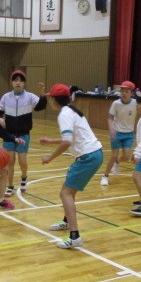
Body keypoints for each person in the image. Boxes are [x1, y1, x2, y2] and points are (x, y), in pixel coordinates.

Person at [41, 83, 103, 249]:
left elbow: (67, 142)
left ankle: (74, 236)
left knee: (65, 193)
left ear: (54, 99)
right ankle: (67, 221)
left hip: (88, 157)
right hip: (94, 154)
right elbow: (73, 137)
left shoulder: (64, 114)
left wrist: (50, 157)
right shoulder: (72, 110)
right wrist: (51, 141)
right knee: (69, 191)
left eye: (50, 97)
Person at [0, 69, 47, 196]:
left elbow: (41, 106)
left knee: (22, 161)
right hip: (9, 135)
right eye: (15, 80)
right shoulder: (6, 97)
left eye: (20, 80)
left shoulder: (30, 97)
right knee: (10, 161)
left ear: (24, 83)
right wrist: (0, 118)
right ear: (12, 82)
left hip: (23, 134)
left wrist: (42, 94)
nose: (18, 83)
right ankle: (10, 186)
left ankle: (24, 178)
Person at [101, 80, 137, 186]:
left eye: (127, 91)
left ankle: (117, 162)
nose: (124, 93)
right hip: (116, 132)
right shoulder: (116, 103)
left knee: (126, 157)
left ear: (131, 93)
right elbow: (110, 117)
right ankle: (105, 176)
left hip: (129, 133)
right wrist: (111, 129)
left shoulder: (135, 103)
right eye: (122, 91)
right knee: (113, 155)